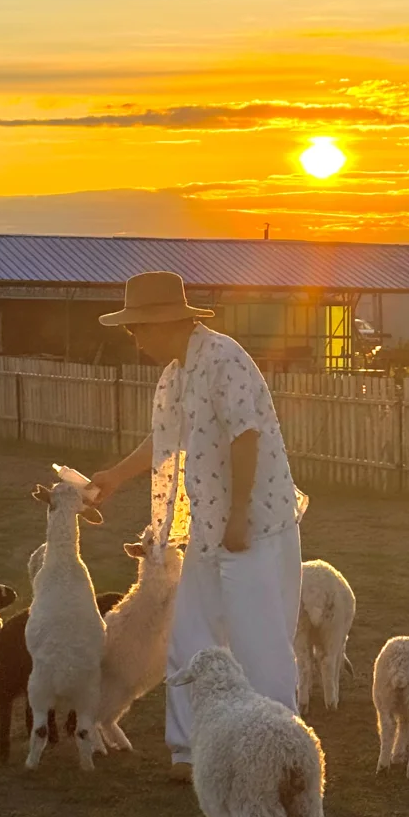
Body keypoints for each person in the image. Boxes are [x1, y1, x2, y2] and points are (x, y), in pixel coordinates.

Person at [90, 272, 306, 783]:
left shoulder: (224, 359)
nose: (134, 340)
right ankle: (190, 751)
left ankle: (280, 758)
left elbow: (246, 435)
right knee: (190, 637)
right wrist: (114, 477)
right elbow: (166, 440)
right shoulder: (177, 374)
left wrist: (238, 515)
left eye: (137, 329)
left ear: (163, 322)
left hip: (253, 526)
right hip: (209, 528)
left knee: (261, 646)